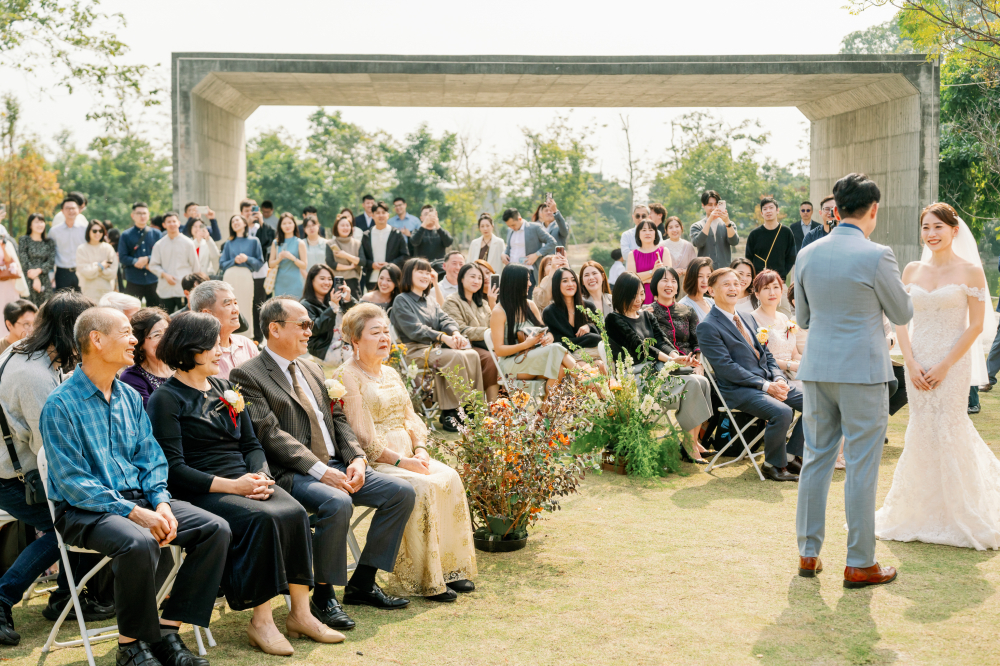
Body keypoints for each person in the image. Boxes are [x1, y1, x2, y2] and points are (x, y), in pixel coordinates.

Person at [40, 307, 230, 666]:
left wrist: (160, 502)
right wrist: (134, 513)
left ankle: (167, 630)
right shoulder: (60, 404)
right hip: (84, 511)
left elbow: (152, 459)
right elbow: (73, 482)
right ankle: (130, 647)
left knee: (215, 529)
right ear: (97, 340)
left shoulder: (128, 396)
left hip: (141, 500)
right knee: (139, 541)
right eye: (126, 333)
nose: (134, 341)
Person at [151, 313, 344, 654]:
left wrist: (262, 477)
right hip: (202, 489)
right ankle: (262, 621)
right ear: (190, 349)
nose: (220, 351)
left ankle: (301, 614)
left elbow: (252, 445)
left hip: (246, 479)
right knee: (263, 519)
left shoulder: (225, 388)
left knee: (295, 512)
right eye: (213, 345)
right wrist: (234, 487)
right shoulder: (166, 399)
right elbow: (174, 469)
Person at [230, 298, 416, 629]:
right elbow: (270, 435)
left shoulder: (313, 368)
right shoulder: (247, 374)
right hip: (294, 473)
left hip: (337, 464)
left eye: (310, 325)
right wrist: (321, 471)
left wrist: (357, 458)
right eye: (302, 324)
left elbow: (338, 418)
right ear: (275, 329)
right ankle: (323, 595)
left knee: (401, 492)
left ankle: (362, 582)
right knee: (336, 502)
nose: (309, 331)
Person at [794, 173, 912, 586]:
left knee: (815, 459)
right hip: (862, 372)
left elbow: (803, 318)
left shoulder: (807, 253)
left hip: (817, 369)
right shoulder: (878, 255)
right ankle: (860, 561)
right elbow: (903, 312)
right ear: (873, 209)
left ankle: (808, 553)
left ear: (836, 208)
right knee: (861, 466)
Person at [875, 201, 1000, 550]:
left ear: (954, 231)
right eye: (926, 227)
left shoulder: (971, 271)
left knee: (950, 426)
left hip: (953, 363)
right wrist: (910, 361)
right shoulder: (912, 270)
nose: (931, 234)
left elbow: (976, 326)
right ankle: (918, 511)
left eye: (938, 227)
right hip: (916, 360)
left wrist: (945, 365)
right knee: (922, 429)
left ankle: (961, 509)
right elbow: (900, 319)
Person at [338, 304, 477, 601]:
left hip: (409, 454)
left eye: (386, 332)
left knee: (450, 477)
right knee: (422, 487)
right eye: (375, 332)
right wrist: (402, 461)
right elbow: (361, 435)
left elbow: (410, 416)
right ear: (356, 340)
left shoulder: (390, 372)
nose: (384, 338)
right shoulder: (346, 375)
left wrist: (421, 449)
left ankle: (448, 568)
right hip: (377, 461)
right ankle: (426, 578)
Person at [0, 293, 113, 645]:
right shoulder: (33, 375)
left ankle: (67, 595)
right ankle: (3, 597)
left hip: (17, 467)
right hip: (11, 477)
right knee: (65, 526)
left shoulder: (24, 349)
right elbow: (50, 449)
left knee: (74, 518)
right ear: (69, 330)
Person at [697, 267, 805, 482]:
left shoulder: (747, 317)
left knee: (817, 403)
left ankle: (790, 455)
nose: (733, 288)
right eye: (726, 284)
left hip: (768, 381)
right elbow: (727, 368)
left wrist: (779, 378)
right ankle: (772, 465)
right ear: (711, 291)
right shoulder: (707, 326)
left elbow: (767, 355)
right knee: (783, 412)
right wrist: (766, 386)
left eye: (736, 284)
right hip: (738, 389)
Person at [606, 272, 711, 461]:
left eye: (641, 294)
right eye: (633, 295)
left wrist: (677, 357)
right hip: (636, 378)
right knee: (693, 384)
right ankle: (689, 445)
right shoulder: (613, 319)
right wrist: (670, 360)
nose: (639, 300)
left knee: (702, 382)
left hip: (658, 372)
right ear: (622, 295)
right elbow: (639, 346)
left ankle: (693, 442)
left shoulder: (647, 316)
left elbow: (662, 341)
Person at [390, 259, 485, 432]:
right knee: (453, 356)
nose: (425, 276)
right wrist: (442, 337)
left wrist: (455, 333)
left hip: (433, 350)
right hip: (413, 351)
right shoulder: (401, 300)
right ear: (409, 274)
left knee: (472, 354)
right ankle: (452, 411)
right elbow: (415, 329)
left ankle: (474, 406)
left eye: (428, 272)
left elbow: (445, 319)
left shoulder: (430, 301)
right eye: (420, 272)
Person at [490, 264, 576, 394]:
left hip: (534, 357)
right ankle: (588, 381)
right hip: (512, 363)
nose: (530, 284)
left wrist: (549, 337)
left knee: (561, 370)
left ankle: (546, 408)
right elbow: (499, 350)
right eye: (527, 280)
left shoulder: (530, 305)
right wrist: (525, 344)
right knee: (556, 348)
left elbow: (545, 331)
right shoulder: (499, 312)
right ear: (515, 282)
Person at [442, 263, 500, 402]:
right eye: (472, 277)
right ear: (461, 279)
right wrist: (488, 332)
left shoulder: (483, 303)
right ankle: (492, 406)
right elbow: (460, 329)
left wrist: (492, 302)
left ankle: (503, 404)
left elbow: (494, 324)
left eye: (479, 278)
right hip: (464, 346)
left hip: (485, 345)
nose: (477, 281)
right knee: (491, 359)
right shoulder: (452, 301)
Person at [190, 280, 259, 380]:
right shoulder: (199, 355)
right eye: (228, 304)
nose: (235, 310)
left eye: (235, 303)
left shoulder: (246, 344)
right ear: (206, 314)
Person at [542, 267, 603, 363]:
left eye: (573, 280)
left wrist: (589, 326)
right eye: (565, 281)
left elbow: (601, 334)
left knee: (600, 363)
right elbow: (556, 340)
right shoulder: (550, 312)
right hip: (566, 357)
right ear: (557, 284)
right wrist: (588, 338)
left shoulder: (588, 307)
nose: (570, 284)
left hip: (592, 353)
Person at [750, 270, 800, 380]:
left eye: (776, 287)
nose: (772, 292)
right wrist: (790, 366)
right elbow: (759, 357)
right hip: (771, 375)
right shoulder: (751, 319)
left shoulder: (784, 317)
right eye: (766, 288)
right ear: (757, 294)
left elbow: (794, 355)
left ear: (781, 291)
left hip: (794, 371)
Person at [119, 307, 173, 406]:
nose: (165, 340)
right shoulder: (132, 378)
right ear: (140, 343)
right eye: (157, 335)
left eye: (168, 333)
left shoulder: (183, 366)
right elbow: (150, 413)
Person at [301, 264, 355, 362]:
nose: (327, 282)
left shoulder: (337, 298)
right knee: (357, 357)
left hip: (346, 344)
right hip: (324, 350)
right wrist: (332, 307)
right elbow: (314, 329)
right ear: (312, 280)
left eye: (330, 279)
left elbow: (358, 318)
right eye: (322, 278)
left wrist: (348, 300)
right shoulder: (305, 305)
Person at [149, 212, 201, 314]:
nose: (172, 224)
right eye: (169, 222)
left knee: (185, 317)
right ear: (164, 225)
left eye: (174, 221)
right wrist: (164, 275)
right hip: (165, 289)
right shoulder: (159, 244)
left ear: (179, 223)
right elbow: (153, 265)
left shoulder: (188, 243)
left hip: (183, 289)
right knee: (166, 317)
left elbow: (195, 267)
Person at [220, 214, 264, 332]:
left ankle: (247, 335)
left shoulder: (254, 241)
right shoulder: (229, 243)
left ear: (244, 223)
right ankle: (229, 333)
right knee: (228, 305)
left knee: (245, 305)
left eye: (237, 220)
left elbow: (260, 263)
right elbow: (222, 264)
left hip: (246, 276)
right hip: (229, 276)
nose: (235, 223)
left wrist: (247, 259)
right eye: (232, 222)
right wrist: (233, 260)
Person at [649, 267, 700, 357]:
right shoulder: (647, 312)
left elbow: (697, 342)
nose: (669, 285)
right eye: (665, 280)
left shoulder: (689, 311)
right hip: (661, 361)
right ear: (655, 284)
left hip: (689, 360)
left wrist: (698, 362)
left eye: (673, 281)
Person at [119, 202, 162, 307]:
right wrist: (136, 261)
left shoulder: (157, 234)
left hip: (153, 279)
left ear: (148, 215)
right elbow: (122, 257)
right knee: (131, 310)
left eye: (144, 213)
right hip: (133, 279)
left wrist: (148, 259)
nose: (142, 216)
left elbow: (162, 254)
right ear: (132, 216)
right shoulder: (126, 235)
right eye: (139, 213)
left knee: (156, 311)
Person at [243, 200, 275, 341]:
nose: (250, 214)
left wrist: (261, 223)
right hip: (244, 273)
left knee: (259, 305)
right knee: (244, 303)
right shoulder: (239, 228)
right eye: (247, 211)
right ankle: (245, 334)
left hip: (260, 272)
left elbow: (267, 243)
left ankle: (258, 337)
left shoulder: (263, 228)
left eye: (253, 211)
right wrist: (246, 225)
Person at [744, 197, 796, 281]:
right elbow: (748, 258)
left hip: (779, 280)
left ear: (777, 210)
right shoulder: (754, 234)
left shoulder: (786, 232)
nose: (768, 211)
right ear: (762, 213)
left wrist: (782, 273)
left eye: (771, 208)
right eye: (765, 209)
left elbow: (791, 256)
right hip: (758, 280)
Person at [360, 201, 410, 288]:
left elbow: (405, 256)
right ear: (372, 215)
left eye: (383, 212)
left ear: (388, 215)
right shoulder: (366, 235)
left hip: (392, 278)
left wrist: (389, 264)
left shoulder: (396, 234)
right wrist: (372, 264)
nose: (381, 215)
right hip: (372, 279)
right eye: (377, 213)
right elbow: (362, 258)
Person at [501, 208, 556, 284]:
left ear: (520, 219)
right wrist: (504, 254)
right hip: (512, 272)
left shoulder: (535, 228)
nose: (511, 228)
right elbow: (509, 247)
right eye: (509, 226)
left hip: (529, 272)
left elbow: (552, 242)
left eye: (513, 225)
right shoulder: (510, 230)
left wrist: (536, 254)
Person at [689, 190, 740, 270]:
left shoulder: (729, 224)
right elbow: (698, 243)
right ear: (703, 205)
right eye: (710, 205)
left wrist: (727, 222)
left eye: (716, 204)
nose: (713, 208)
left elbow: (734, 242)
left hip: (725, 270)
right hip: (705, 271)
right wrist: (709, 220)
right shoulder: (696, 226)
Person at [625, 219, 671, 305]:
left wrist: (643, 279)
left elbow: (668, 277)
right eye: (644, 230)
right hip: (639, 297)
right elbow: (631, 279)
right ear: (638, 234)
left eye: (651, 230)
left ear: (655, 233)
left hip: (660, 296)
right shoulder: (632, 254)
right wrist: (652, 272)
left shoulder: (664, 251)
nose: (647, 233)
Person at [49, 198, 87, 292]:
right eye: (67, 208)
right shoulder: (54, 231)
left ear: (78, 210)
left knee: (83, 299)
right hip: (62, 273)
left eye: (73, 208)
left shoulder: (85, 229)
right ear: (62, 211)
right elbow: (49, 252)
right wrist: (51, 275)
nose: (71, 211)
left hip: (82, 271)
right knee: (62, 300)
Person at [74, 219, 117, 303]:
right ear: (88, 232)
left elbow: (112, 273)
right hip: (88, 291)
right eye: (94, 231)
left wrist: (95, 269)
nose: (98, 233)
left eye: (100, 231)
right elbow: (84, 271)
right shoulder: (82, 249)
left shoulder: (108, 248)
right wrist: (101, 266)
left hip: (106, 291)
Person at [18, 214, 55, 307]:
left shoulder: (49, 242)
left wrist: (38, 271)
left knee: (45, 308)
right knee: (28, 308)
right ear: (30, 225)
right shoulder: (23, 240)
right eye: (36, 222)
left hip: (45, 279)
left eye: (41, 222)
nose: (40, 224)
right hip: (28, 279)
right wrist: (35, 278)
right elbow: (23, 260)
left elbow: (51, 261)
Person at [268, 213, 307, 300]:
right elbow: (271, 264)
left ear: (294, 224)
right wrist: (279, 258)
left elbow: (304, 265)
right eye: (284, 223)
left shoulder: (300, 243)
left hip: (295, 282)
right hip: (280, 282)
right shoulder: (276, 242)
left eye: (289, 223)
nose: (287, 226)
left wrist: (292, 258)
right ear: (280, 226)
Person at [325, 215, 362, 297]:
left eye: (347, 225)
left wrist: (345, 255)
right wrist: (350, 267)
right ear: (336, 227)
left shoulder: (357, 243)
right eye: (342, 225)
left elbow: (362, 261)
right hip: (337, 280)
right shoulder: (330, 243)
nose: (345, 228)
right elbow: (331, 263)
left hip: (353, 281)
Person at [0, 231, 25, 334]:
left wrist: (3, 246)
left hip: (7, 283)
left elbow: (9, 260)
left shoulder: (5, 241)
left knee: (8, 309)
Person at [677, 257, 715, 323]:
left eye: (708, 276)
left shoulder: (712, 302)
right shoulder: (684, 306)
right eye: (700, 276)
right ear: (691, 277)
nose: (705, 281)